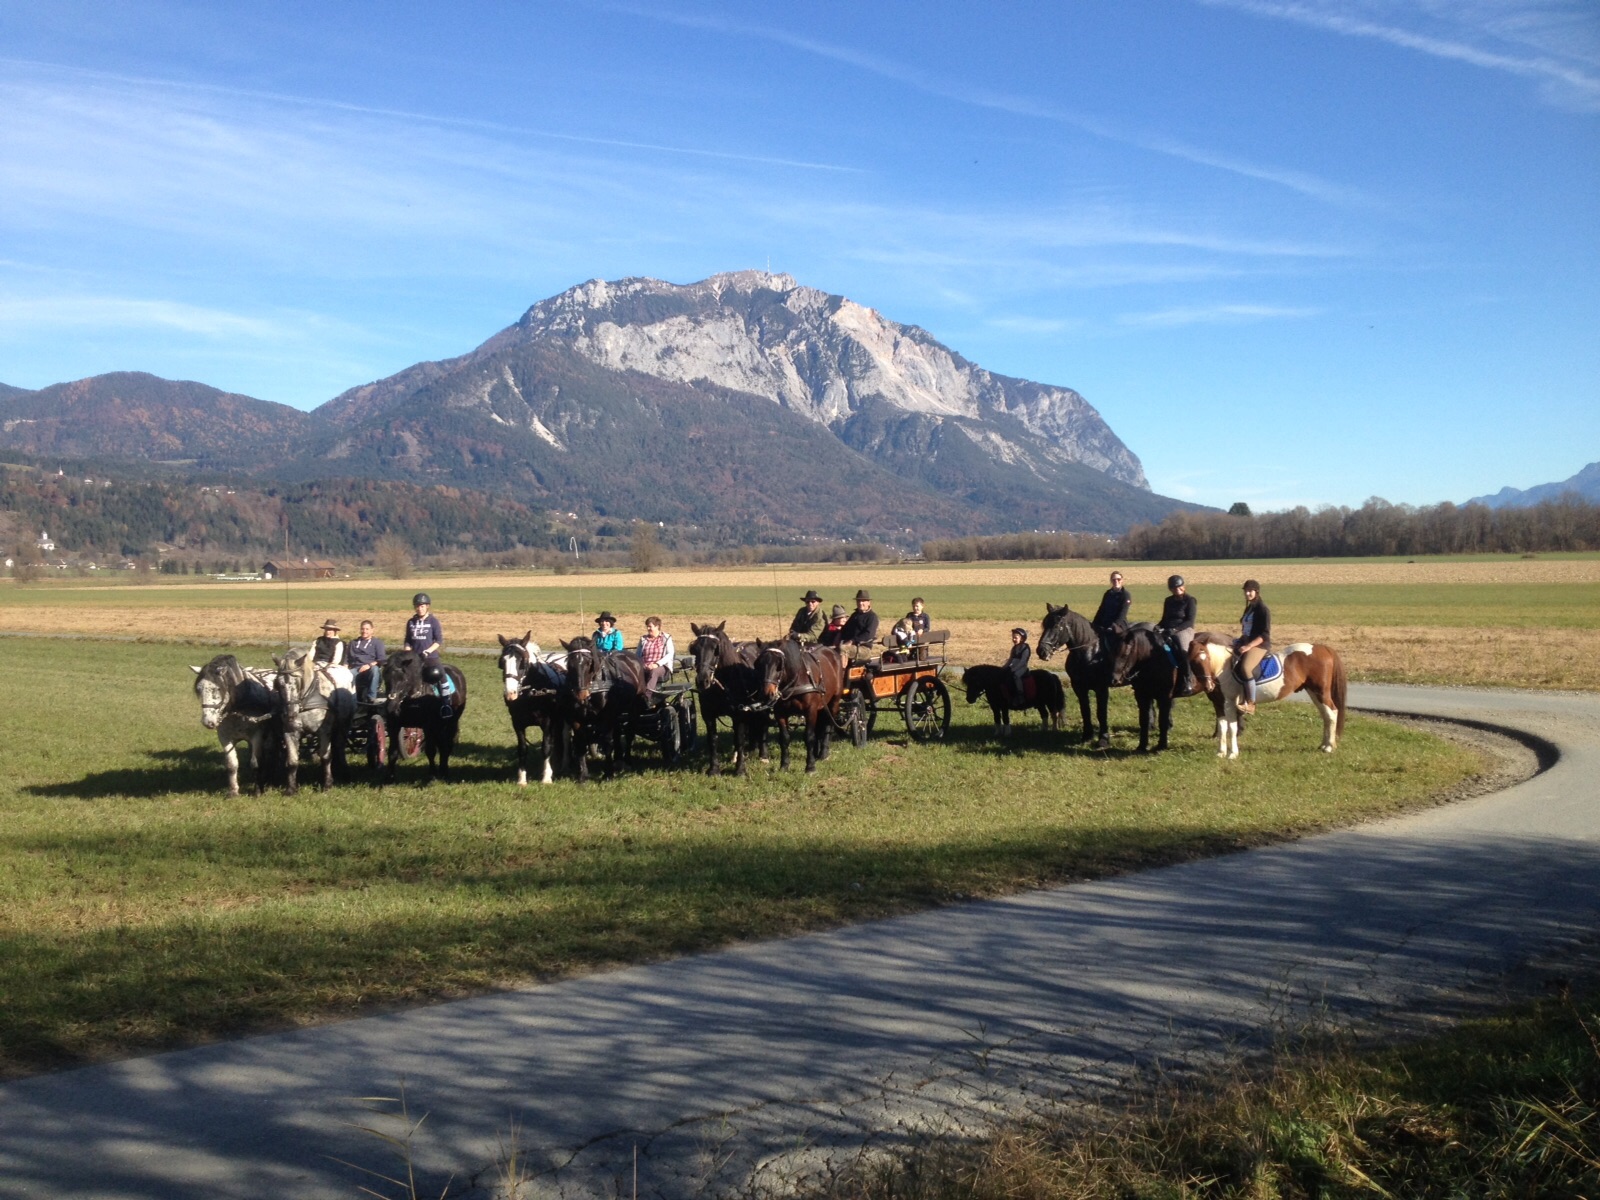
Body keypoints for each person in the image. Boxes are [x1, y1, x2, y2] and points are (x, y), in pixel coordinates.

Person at [1234, 579, 1272, 714]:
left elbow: (1264, 634)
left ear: (1257, 592)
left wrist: (1248, 646)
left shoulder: (1263, 609)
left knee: (1246, 667)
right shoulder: (1250, 607)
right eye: (1246, 591)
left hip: (1260, 645)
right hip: (1246, 641)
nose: (1247, 593)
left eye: (1250, 591)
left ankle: (1251, 703)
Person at [1156, 575, 1198, 694]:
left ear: (1183, 587)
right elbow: (1164, 618)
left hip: (1184, 629)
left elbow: (1190, 620)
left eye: (1179, 587)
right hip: (1168, 629)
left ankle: (1188, 679)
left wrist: (1175, 630)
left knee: (1182, 650)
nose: (1177, 589)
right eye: (1174, 588)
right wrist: (1158, 626)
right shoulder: (1168, 601)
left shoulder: (1190, 600)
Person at [348, 619, 386, 702]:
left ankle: (371, 698)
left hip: (370, 670)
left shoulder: (377, 643)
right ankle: (350, 699)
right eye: (362, 629)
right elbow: (348, 659)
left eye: (367, 629)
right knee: (348, 674)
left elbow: (382, 659)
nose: (364, 631)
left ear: (372, 630)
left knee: (375, 669)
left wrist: (369, 665)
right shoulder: (353, 643)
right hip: (356, 669)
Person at [635, 615, 675, 694]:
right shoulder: (643, 639)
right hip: (645, 665)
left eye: (650, 627)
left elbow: (670, 654)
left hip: (661, 666)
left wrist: (656, 664)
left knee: (654, 671)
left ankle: (648, 696)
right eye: (647, 627)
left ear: (657, 626)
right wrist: (642, 664)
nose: (648, 629)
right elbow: (638, 655)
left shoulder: (666, 638)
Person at [405, 593, 442, 663]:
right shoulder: (411, 622)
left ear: (427, 606)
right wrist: (407, 652)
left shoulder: (433, 621)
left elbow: (438, 640)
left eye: (422, 606)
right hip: (414, 658)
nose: (419, 609)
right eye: (417, 607)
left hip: (430, 657)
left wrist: (428, 651)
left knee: (436, 673)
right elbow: (408, 640)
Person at [1091, 570, 1132, 635]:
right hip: (1105, 624)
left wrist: (1114, 625)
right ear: (1111, 581)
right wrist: (1094, 624)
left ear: (1122, 580)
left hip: (1119, 625)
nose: (1116, 581)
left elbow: (1123, 613)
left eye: (1118, 579)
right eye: (1114, 580)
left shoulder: (1125, 595)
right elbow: (1101, 610)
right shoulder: (1107, 594)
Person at [1007, 627, 1031, 704]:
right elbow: (1010, 660)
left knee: (1016, 676)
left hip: (1022, 668)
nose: (1013, 639)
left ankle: (1020, 695)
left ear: (1022, 638)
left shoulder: (1025, 648)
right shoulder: (1014, 648)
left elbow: (1023, 661)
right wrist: (1003, 668)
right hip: (1013, 667)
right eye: (1013, 637)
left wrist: (1013, 669)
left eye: (1015, 638)